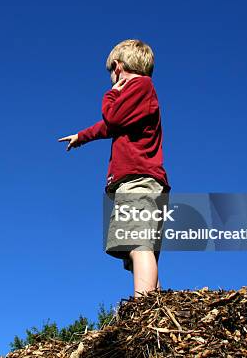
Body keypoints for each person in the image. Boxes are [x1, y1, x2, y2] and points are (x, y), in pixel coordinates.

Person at [58, 39, 170, 297]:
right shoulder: (137, 96)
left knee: (138, 245)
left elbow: (113, 117)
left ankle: (144, 309)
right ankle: (157, 308)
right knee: (138, 252)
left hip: (139, 180)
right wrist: (81, 136)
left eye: (110, 71)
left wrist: (111, 94)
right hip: (137, 182)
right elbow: (112, 125)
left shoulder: (141, 85)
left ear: (117, 67)